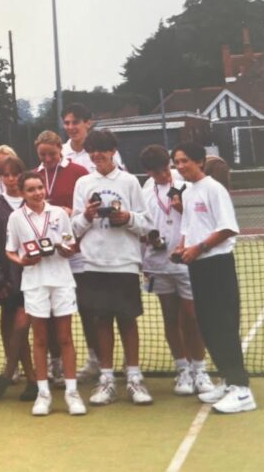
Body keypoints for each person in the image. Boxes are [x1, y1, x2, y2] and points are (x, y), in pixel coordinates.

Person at [71, 130, 154, 406]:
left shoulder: (130, 182)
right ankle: (106, 380)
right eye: (93, 150)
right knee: (101, 322)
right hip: (93, 263)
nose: (97, 155)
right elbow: (73, 227)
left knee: (128, 321)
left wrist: (126, 217)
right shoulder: (83, 182)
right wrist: (87, 215)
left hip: (125, 263)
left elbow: (147, 223)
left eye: (102, 150)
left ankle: (134, 378)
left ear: (113, 151)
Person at [172, 142, 256, 414]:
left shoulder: (214, 189)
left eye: (185, 161)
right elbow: (188, 227)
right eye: (177, 162)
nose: (180, 166)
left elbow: (228, 228)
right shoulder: (187, 192)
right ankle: (229, 381)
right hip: (197, 266)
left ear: (198, 161)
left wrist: (199, 248)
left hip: (217, 265)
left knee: (223, 326)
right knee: (207, 326)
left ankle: (242, 390)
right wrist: (182, 248)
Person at [6, 172, 87, 416]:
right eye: (30, 189)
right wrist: (22, 261)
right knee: (39, 339)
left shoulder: (59, 214)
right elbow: (10, 250)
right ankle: (43, 395)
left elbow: (70, 245)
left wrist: (65, 250)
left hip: (61, 280)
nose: (37, 193)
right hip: (34, 283)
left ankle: (72, 394)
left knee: (64, 338)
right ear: (22, 193)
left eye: (40, 187)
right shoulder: (16, 218)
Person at [140, 145, 215, 396]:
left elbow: (202, 219)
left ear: (169, 164)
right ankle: (182, 369)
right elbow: (143, 226)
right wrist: (146, 248)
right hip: (157, 263)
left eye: (164, 169)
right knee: (170, 317)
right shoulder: (146, 191)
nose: (162, 175)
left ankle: (199, 368)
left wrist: (182, 207)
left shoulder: (186, 183)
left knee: (192, 317)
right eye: (155, 172)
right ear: (148, 172)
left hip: (187, 260)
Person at [34, 130, 94, 384]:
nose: (47, 159)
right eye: (42, 155)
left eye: (51, 154)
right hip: (49, 256)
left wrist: (71, 212)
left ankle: (96, 361)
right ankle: (55, 363)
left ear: (61, 149)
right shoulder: (35, 176)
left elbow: (89, 207)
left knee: (87, 308)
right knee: (49, 311)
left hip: (77, 252)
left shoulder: (79, 172)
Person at [0, 157, 38, 402]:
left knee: (22, 325)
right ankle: (30, 380)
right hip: (8, 278)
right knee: (11, 328)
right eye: (5, 175)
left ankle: (12, 374)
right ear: (0, 177)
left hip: (34, 276)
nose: (11, 179)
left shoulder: (35, 202)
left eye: (15, 174)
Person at [61, 103, 125, 172]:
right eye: (67, 123)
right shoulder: (59, 153)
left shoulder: (106, 150)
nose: (70, 127)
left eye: (75, 122)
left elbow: (120, 178)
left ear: (88, 123)